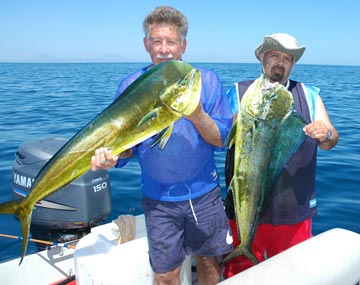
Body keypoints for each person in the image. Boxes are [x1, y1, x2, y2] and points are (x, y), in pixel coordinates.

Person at [90, 6, 233, 285]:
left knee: (209, 262)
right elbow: (127, 146)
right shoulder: (131, 85)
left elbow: (221, 140)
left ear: (183, 45)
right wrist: (112, 157)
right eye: (157, 41)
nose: (164, 49)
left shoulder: (207, 80)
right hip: (158, 200)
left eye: (171, 41)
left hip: (204, 195)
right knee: (165, 275)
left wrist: (196, 115)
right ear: (146, 44)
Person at [223, 33, 339, 278]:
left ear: (293, 64)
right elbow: (219, 136)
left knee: (294, 276)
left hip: (293, 210)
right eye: (274, 55)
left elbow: (332, 140)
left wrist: (326, 134)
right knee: (241, 275)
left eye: (287, 58)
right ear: (262, 58)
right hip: (243, 206)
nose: (280, 62)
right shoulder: (240, 91)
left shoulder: (309, 94)